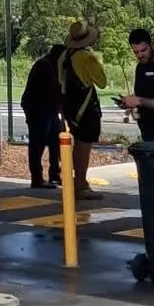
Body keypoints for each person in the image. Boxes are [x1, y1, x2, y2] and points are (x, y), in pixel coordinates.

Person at [58, 20, 107, 199]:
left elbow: (60, 81)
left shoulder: (64, 56)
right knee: (84, 145)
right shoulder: (87, 57)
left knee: (76, 144)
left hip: (69, 105)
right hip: (85, 106)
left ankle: (77, 182)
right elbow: (102, 81)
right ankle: (81, 184)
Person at [20, 42, 64, 188]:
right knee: (38, 142)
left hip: (45, 108)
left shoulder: (49, 64)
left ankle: (54, 174)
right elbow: (54, 91)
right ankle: (38, 177)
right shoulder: (47, 67)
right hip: (38, 108)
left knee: (55, 140)